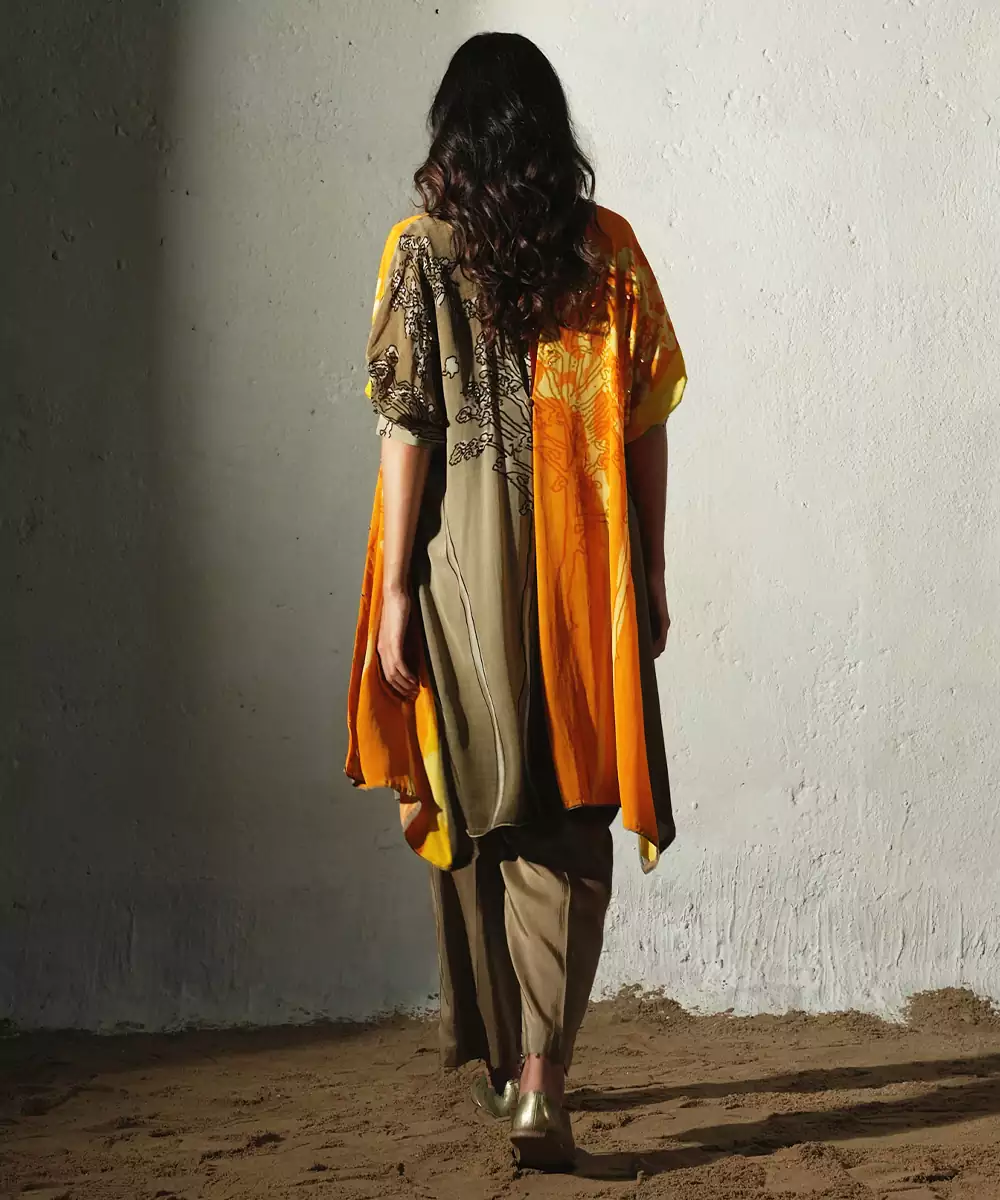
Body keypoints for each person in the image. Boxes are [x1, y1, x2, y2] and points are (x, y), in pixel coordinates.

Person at [346, 32, 686, 1171]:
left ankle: (505, 1064)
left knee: (475, 811)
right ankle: (542, 1078)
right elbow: (646, 421)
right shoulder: (609, 250)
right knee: (569, 817)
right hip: (585, 580)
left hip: (460, 575)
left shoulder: (418, 250)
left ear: (452, 132)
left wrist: (398, 588)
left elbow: (406, 427)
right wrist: (652, 569)